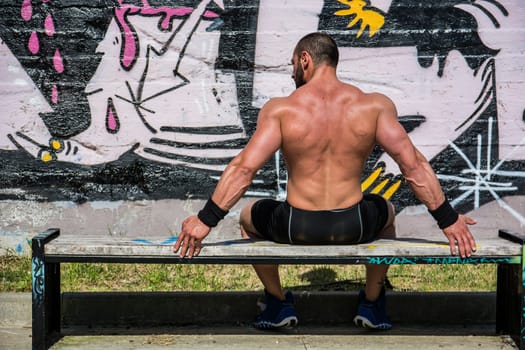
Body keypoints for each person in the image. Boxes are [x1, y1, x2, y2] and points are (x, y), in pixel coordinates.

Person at [174, 32, 477, 330]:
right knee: (385, 211)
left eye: (293, 63)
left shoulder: (281, 109)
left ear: (305, 60)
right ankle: (372, 304)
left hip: (297, 227)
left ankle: (278, 302)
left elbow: (243, 169)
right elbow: (413, 166)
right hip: (353, 225)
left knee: (248, 217)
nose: (293, 70)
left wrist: (206, 220)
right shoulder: (374, 106)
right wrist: (447, 219)